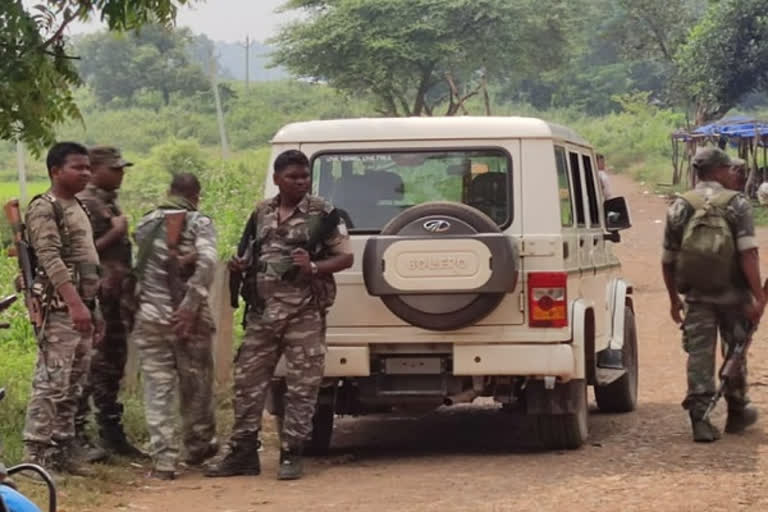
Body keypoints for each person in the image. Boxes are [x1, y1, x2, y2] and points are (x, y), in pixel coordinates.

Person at [205, 149, 353, 480]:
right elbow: (249, 251)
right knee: (248, 384)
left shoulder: (323, 214)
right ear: (276, 179)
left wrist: (313, 266)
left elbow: (345, 259)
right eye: (292, 177)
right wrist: (240, 265)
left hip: (304, 314)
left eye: (304, 177)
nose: (300, 182)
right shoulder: (262, 212)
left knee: (302, 387)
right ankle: (243, 452)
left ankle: (291, 453)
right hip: (262, 314)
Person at [661, 147, 764, 443]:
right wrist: (757, 296)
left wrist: (672, 299)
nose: (734, 174)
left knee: (699, 356)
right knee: (736, 350)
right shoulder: (737, 204)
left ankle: (701, 420)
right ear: (718, 171)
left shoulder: (680, 206)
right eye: (729, 169)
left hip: (696, 297)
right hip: (734, 296)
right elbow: (749, 254)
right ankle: (736, 411)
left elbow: (668, 259)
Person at [129, 173, 218, 480]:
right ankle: (198, 449)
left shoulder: (144, 223)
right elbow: (208, 262)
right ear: (196, 195)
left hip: (150, 317)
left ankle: (163, 461)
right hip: (186, 319)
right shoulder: (198, 221)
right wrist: (190, 307)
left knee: (157, 388)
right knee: (196, 385)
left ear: (169, 191)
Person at [22, 142, 101, 475]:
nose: (85, 173)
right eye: (77, 167)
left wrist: (93, 309)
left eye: (87, 167)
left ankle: (62, 449)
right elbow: (49, 257)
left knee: (74, 382)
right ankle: (33, 456)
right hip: (59, 308)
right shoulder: (45, 207)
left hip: (82, 305)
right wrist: (74, 304)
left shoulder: (77, 205)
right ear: (56, 171)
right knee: (52, 382)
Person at [74, 146, 144, 462]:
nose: (121, 174)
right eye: (115, 168)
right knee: (97, 365)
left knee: (113, 365)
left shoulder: (106, 200)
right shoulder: (87, 202)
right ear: (96, 168)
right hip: (100, 298)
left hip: (118, 298)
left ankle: (111, 434)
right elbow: (83, 253)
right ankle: (83, 435)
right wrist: (117, 232)